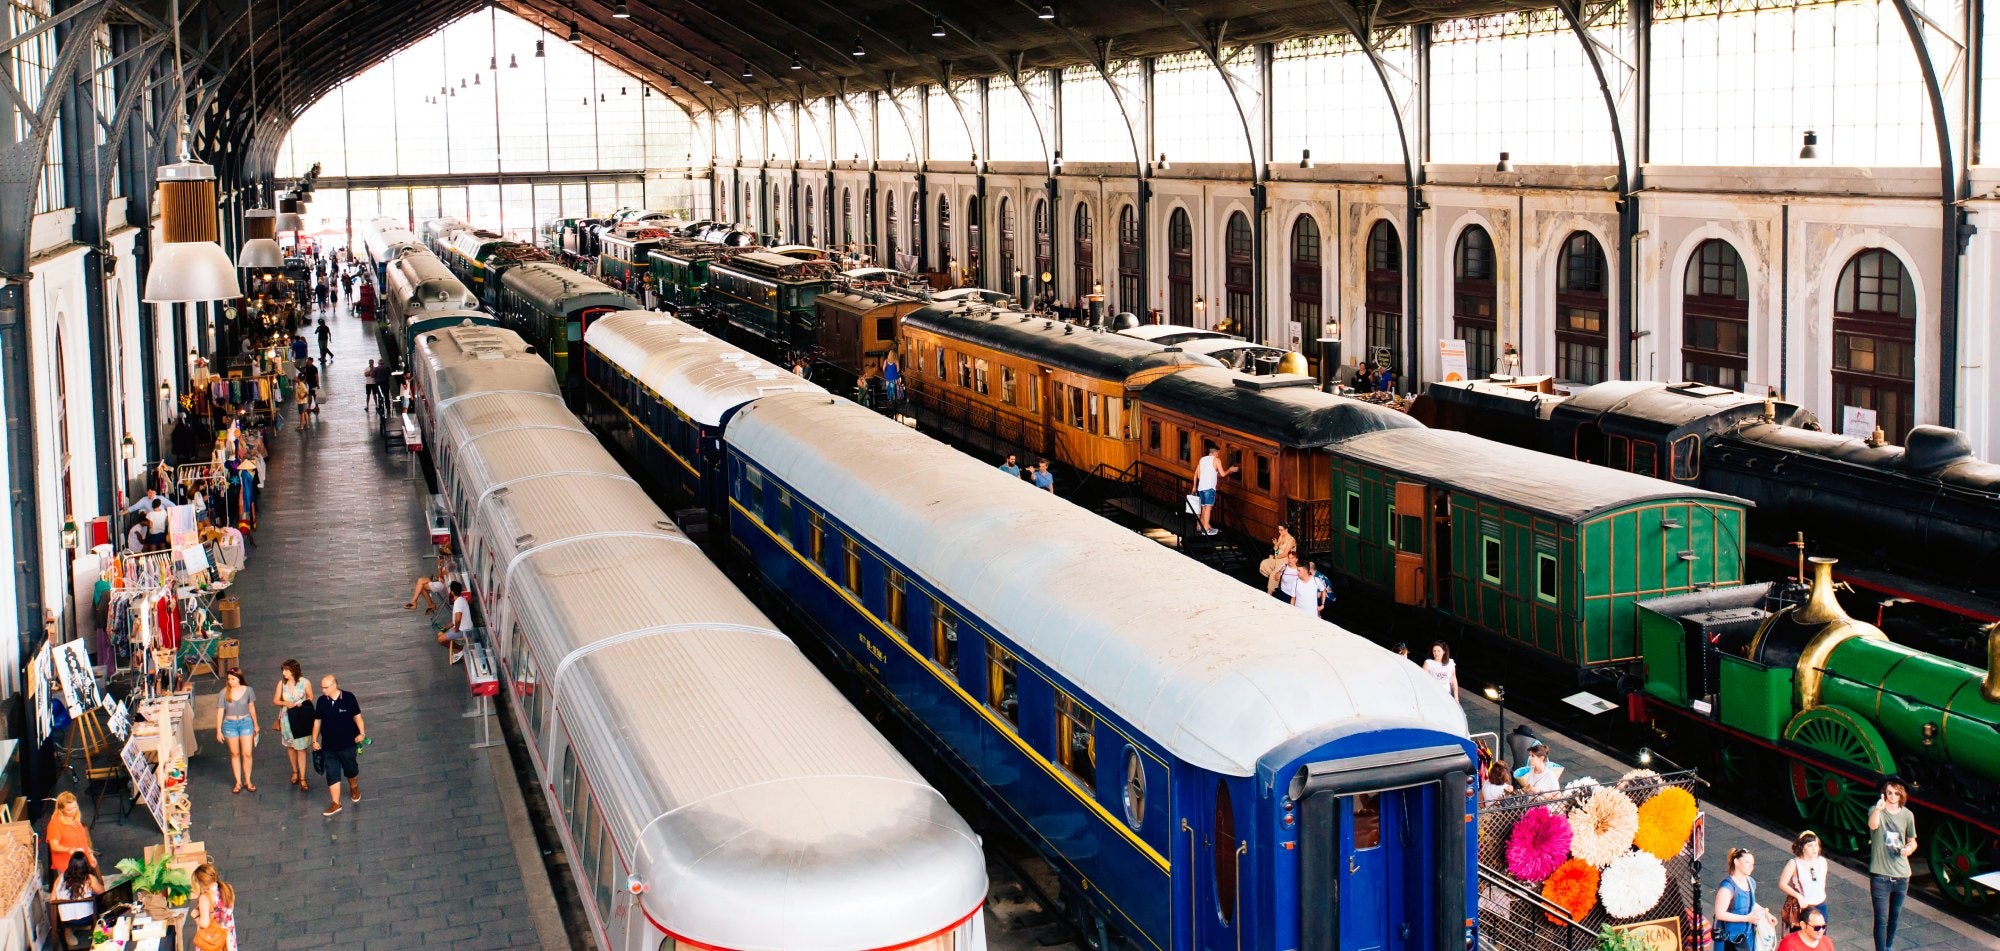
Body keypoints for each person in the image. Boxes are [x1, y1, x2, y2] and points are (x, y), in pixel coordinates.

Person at [1868, 779, 1917, 951]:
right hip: (1880, 875)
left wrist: (1909, 848)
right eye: (1889, 792)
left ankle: (1888, 946)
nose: (1892, 796)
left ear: (1902, 794)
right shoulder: (1876, 811)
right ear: (1884, 793)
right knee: (1881, 919)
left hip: (1902, 874)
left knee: (1894, 917)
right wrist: (1878, 809)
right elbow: (1873, 825)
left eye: (1896, 793)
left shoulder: (1907, 815)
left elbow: (1912, 840)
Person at [311, 674, 366, 817]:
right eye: (322, 687)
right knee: (332, 773)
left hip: (348, 744)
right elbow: (317, 721)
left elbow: (357, 717)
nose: (323, 690)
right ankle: (336, 803)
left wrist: (362, 733)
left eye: (326, 687)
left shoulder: (348, 698)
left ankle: (354, 787)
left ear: (334, 685)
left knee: (351, 770)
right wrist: (314, 739)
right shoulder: (322, 701)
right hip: (329, 746)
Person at [1714, 847, 1776, 951]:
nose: (1751, 866)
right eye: (1747, 862)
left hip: (1747, 937)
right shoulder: (1727, 887)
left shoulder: (1751, 882)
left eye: (1752, 864)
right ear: (1736, 862)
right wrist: (1746, 918)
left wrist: (1766, 913)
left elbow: (1750, 902)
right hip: (1729, 939)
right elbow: (1720, 914)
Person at [272, 659, 315, 792]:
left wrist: (302, 702)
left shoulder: (305, 682)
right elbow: (275, 700)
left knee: (301, 748)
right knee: (290, 746)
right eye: (283, 670)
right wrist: (286, 703)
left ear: (293, 670)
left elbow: (311, 697)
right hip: (286, 718)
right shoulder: (281, 683)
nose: (284, 673)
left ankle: (302, 777)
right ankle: (294, 771)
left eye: (286, 670)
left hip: (300, 716)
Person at [215, 668, 258, 793]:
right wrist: (218, 730)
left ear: (239, 679)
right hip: (230, 724)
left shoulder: (248, 690)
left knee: (247, 753)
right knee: (234, 753)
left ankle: (248, 780)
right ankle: (238, 781)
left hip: (246, 722)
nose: (230, 682)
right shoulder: (224, 692)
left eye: (233, 679)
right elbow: (220, 711)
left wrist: (256, 724)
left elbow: (252, 708)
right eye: (228, 679)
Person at [49, 851, 104, 945]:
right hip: (87, 918)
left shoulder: (60, 878)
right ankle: (100, 929)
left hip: (66, 920)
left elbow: (52, 900)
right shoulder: (89, 878)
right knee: (98, 898)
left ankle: (68, 929)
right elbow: (103, 892)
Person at [44, 791, 93, 876]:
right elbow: (54, 846)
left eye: (75, 807)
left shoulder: (76, 820)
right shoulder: (55, 824)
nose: (73, 811)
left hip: (81, 862)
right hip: (67, 865)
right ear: (61, 809)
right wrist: (69, 849)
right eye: (69, 809)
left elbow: (83, 842)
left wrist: (90, 856)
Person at [191, 862, 237, 951]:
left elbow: (204, 923)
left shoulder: (205, 898)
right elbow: (229, 911)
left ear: (201, 883)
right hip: (228, 939)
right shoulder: (228, 888)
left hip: (212, 941)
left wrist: (196, 916)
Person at [1194, 446, 1237, 535]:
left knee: (1204, 508)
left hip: (1201, 487)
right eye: (1218, 453)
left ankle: (1203, 526)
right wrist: (1230, 469)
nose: (1218, 455)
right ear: (1215, 452)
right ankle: (1206, 529)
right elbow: (1223, 474)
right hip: (1210, 488)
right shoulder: (1216, 460)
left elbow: (1199, 475)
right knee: (1208, 508)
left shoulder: (1202, 460)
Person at [440, 581, 475, 649]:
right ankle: (457, 650)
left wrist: (456, 629)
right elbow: (455, 621)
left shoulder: (458, 603)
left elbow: (458, 619)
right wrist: (446, 627)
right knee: (440, 634)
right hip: (462, 628)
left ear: (452, 592)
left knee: (440, 640)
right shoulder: (461, 600)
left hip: (464, 630)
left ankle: (459, 649)